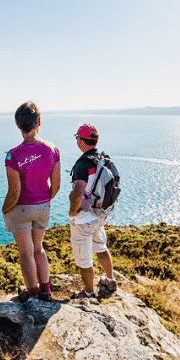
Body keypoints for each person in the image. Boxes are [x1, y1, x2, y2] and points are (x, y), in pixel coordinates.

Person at [2, 102, 61, 301]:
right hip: (43, 206)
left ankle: (32, 292)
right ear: (39, 122)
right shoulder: (53, 150)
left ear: (18, 125)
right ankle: (46, 291)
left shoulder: (13, 155)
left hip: (21, 209)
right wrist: (43, 200)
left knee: (26, 253)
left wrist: (5, 209)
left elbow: (14, 192)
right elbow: (56, 186)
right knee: (39, 249)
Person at [68, 123, 117, 298]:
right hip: (100, 215)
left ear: (81, 141)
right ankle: (110, 281)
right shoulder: (103, 159)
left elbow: (77, 194)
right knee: (101, 248)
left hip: (84, 219)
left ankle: (88, 293)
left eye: (77, 138)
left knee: (84, 259)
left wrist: (73, 213)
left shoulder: (83, 164)